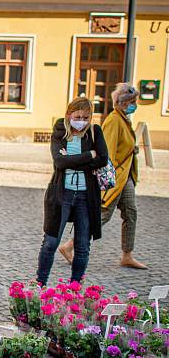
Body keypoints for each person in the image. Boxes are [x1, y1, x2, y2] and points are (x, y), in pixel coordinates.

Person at [60, 83, 147, 269]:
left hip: (126, 175)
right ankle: (69, 245)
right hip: (116, 177)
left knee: (130, 213)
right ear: (123, 103)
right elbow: (107, 153)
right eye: (132, 101)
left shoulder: (124, 119)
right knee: (103, 214)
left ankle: (127, 254)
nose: (135, 104)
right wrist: (107, 180)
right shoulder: (115, 120)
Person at [36, 97, 108, 286]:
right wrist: (88, 156)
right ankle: (40, 283)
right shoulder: (60, 130)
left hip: (86, 196)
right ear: (69, 115)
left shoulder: (95, 132)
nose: (82, 121)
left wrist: (73, 160)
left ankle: (74, 287)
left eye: (86, 117)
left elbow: (102, 158)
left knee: (83, 246)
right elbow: (59, 162)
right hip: (61, 194)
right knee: (51, 242)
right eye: (78, 116)